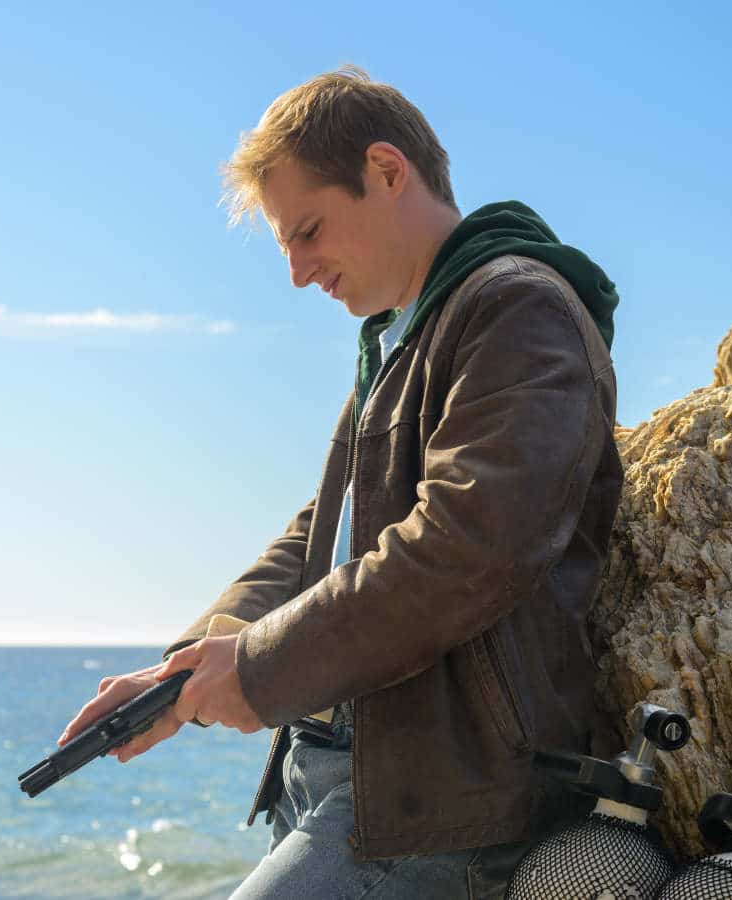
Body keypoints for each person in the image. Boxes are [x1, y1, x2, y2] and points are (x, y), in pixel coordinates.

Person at [58, 66, 622, 899]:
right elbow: (321, 533)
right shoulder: (400, 338)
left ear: (387, 171)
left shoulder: (517, 309)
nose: (297, 271)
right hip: (344, 776)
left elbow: (469, 549)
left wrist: (258, 669)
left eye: (309, 230)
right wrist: (187, 668)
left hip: (443, 801)